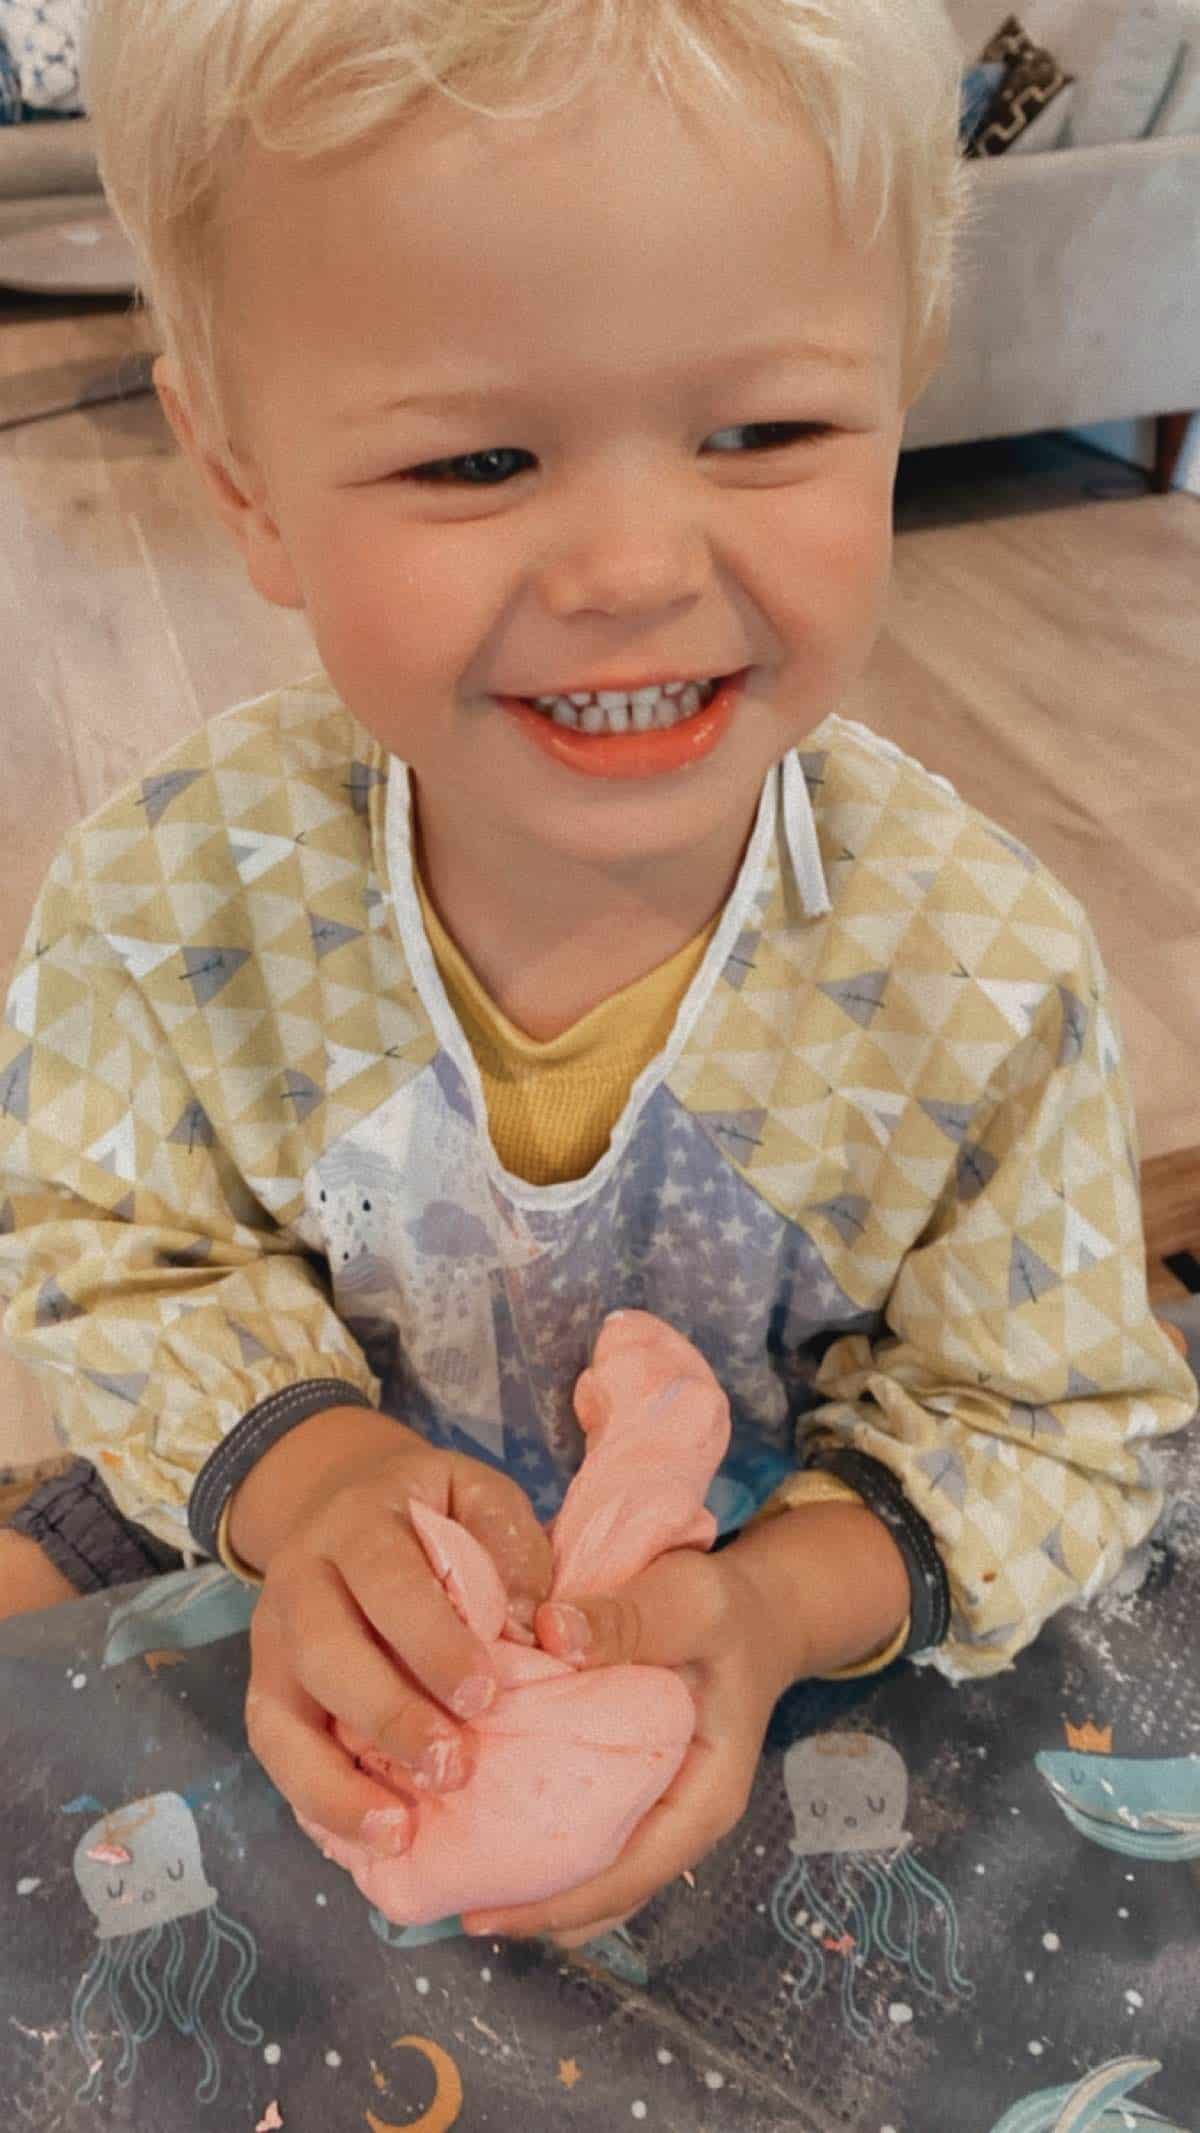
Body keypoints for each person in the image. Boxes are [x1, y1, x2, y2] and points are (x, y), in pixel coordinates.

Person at [0, 0, 1195, 1956]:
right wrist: (323, 1488)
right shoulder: (169, 899)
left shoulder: (975, 978)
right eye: (478, 457)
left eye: (770, 430)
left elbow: (1038, 1411)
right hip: (263, 1478)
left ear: (905, 385)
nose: (637, 560)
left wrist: (764, 1605)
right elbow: (107, 1248)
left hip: (776, 1548)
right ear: (238, 480)